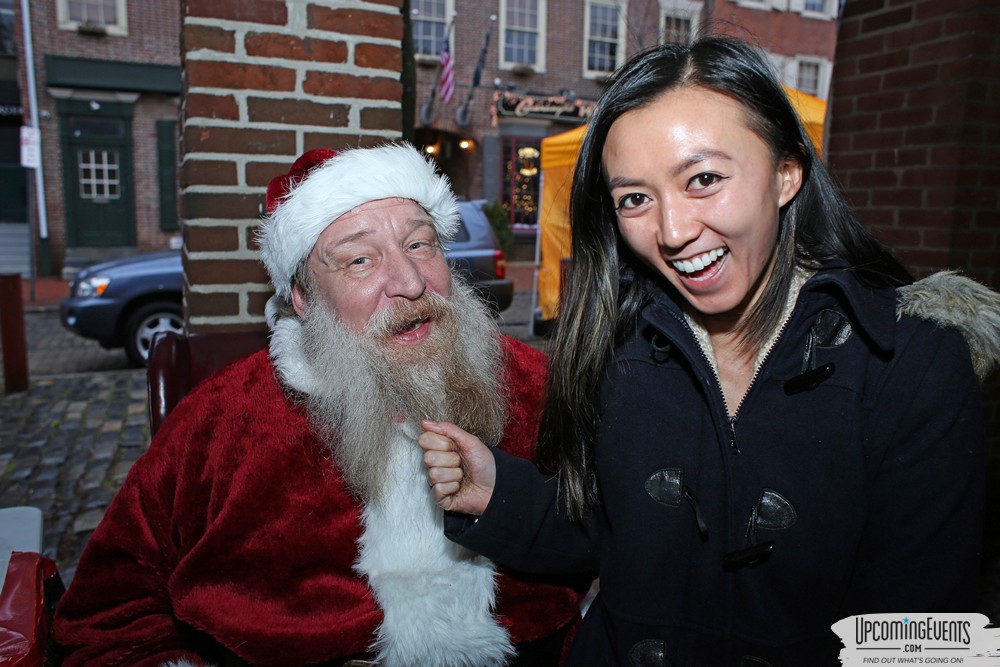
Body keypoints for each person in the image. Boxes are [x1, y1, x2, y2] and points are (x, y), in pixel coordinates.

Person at [419, 36, 1000, 666]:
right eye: (635, 199)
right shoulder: (619, 346)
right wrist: (500, 493)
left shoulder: (913, 362)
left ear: (786, 173)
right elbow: (620, 538)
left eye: (704, 179)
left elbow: (924, 638)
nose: (672, 232)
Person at [53, 143, 584, 667]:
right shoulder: (222, 422)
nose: (411, 282)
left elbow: (613, 543)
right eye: (360, 260)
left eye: (421, 245)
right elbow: (107, 615)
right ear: (303, 298)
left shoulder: (536, 385)